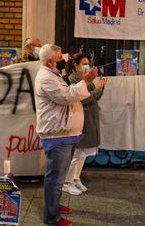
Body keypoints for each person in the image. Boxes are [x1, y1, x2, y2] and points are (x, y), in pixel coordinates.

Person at [34, 44, 98, 226]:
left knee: (59, 177)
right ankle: (51, 217)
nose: (65, 60)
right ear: (49, 61)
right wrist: (85, 81)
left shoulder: (54, 74)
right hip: (57, 135)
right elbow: (67, 96)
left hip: (65, 133)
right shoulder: (46, 78)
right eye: (60, 58)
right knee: (55, 177)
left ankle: (54, 205)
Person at [62, 53, 107, 195]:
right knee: (76, 152)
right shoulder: (72, 79)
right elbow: (82, 99)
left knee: (83, 153)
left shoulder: (88, 78)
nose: (87, 66)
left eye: (88, 63)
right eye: (84, 63)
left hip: (91, 118)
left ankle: (75, 178)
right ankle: (66, 182)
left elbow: (96, 97)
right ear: (76, 65)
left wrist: (101, 87)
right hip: (81, 119)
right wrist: (96, 89)